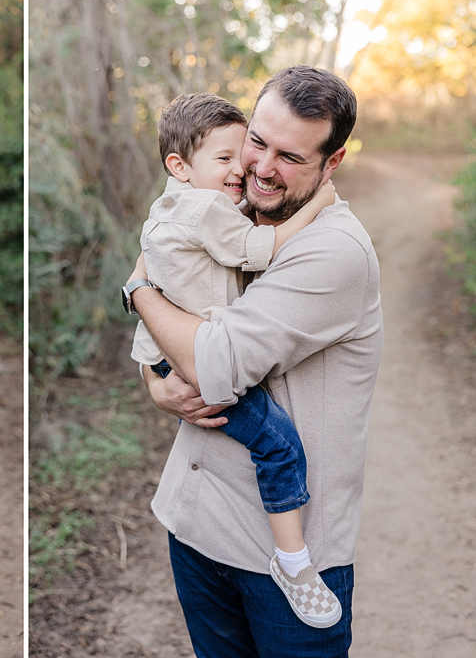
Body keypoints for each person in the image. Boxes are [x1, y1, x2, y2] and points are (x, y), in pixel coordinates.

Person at [123, 66, 382, 656]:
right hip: (196, 525)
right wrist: (154, 380)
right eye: (257, 143)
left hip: (284, 561)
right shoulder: (229, 208)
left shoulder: (334, 253)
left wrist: (136, 291)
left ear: (332, 162)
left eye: (289, 156)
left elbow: (212, 362)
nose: (261, 167)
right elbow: (172, 310)